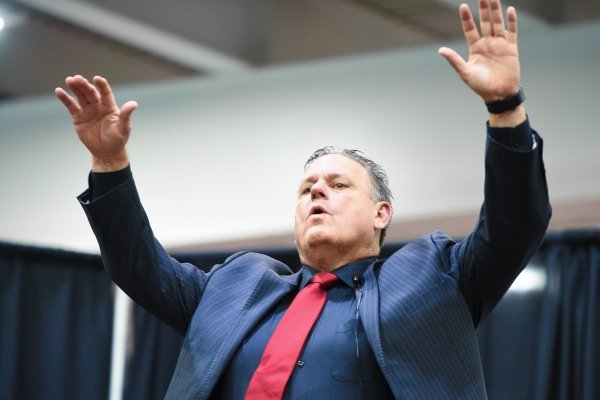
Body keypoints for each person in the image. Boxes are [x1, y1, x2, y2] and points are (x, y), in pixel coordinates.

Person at [55, 0, 551, 398]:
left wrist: (504, 108)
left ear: (383, 214)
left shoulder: (432, 277)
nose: (317, 190)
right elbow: (137, 266)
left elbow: (515, 223)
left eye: (338, 185)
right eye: (307, 188)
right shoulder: (235, 288)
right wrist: (108, 161)